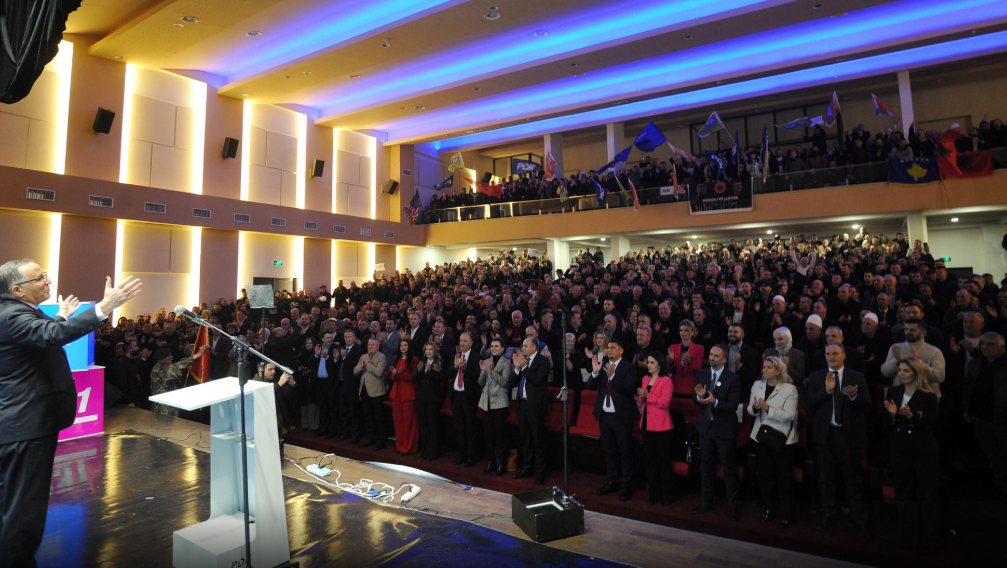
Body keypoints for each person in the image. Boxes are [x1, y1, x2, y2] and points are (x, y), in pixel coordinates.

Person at [0, 259, 140, 567]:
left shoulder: (14, 312)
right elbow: (50, 335)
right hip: (27, 426)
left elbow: (43, 332)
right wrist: (104, 307)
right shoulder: (12, 315)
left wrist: (62, 316)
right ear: (18, 290)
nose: (48, 281)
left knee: (13, 506)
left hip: (21, 425)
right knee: (23, 512)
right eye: (40, 278)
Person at [808, 344, 874, 539]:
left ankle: (860, 519)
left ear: (843, 355)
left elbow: (869, 406)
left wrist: (854, 396)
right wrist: (827, 391)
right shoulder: (817, 376)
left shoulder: (856, 376)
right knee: (826, 479)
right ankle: (828, 515)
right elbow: (811, 402)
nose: (831, 357)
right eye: (827, 354)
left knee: (852, 479)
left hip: (849, 436)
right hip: (825, 436)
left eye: (835, 353)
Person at [883, 358, 940, 553]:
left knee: (927, 496)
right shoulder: (894, 392)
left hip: (923, 451)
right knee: (904, 495)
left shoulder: (928, 396)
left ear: (916, 373)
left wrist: (910, 417)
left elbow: (930, 426)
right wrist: (891, 415)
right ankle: (909, 537)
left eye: (906, 370)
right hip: (899, 450)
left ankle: (929, 541)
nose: (902, 373)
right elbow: (885, 423)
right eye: (900, 370)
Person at [692, 345, 743, 521]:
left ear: (724, 359)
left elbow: (733, 406)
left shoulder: (733, 379)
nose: (712, 358)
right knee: (706, 467)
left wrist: (715, 402)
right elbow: (695, 399)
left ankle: (733, 506)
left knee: (728, 469)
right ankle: (706, 502)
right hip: (705, 428)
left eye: (715, 355)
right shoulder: (702, 374)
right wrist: (699, 398)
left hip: (724, 430)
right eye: (710, 354)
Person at [748, 356, 799, 528]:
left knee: (783, 477)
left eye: (769, 367)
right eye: (764, 367)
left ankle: (786, 514)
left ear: (778, 370)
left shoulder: (790, 389)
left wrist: (767, 408)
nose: (765, 370)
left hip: (782, 439)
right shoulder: (757, 385)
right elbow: (750, 409)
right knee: (764, 475)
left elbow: (790, 415)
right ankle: (768, 509)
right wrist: (755, 407)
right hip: (762, 437)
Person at [588, 339, 641, 501]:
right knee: (609, 451)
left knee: (625, 452)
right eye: (607, 348)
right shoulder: (603, 365)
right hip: (605, 416)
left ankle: (626, 485)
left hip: (622, 417)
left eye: (612, 347)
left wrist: (614, 375)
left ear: (621, 351)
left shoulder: (629, 367)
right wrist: (596, 372)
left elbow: (629, 387)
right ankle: (611, 481)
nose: (608, 350)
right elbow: (590, 386)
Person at [962, 332, 1007, 497]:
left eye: (991, 344)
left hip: (1002, 420)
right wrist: (967, 408)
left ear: (1002, 347)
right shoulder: (976, 362)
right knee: (993, 456)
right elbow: (967, 387)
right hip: (982, 419)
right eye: (983, 344)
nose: (986, 347)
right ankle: (1001, 487)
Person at [510, 337, 551, 484]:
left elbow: (537, 380)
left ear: (534, 347)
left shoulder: (543, 361)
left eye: (525, 346)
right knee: (525, 438)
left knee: (537, 439)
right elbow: (511, 382)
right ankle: (527, 467)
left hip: (535, 406)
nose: (522, 348)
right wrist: (516, 369)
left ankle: (540, 471)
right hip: (522, 405)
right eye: (522, 346)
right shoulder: (522, 361)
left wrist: (524, 368)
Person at [637, 353, 675, 506]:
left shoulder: (666, 381)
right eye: (648, 362)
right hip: (647, 423)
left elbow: (664, 403)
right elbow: (641, 400)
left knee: (663, 461)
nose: (649, 365)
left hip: (661, 426)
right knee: (650, 461)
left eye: (652, 362)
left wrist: (648, 395)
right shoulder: (645, 379)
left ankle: (667, 495)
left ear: (659, 364)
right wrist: (642, 395)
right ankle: (654, 494)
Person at [880, 318, 946, 399]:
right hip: (900, 398)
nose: (908, 332)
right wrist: (896, 360)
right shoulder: (896, 348)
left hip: (926, 399)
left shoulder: (934, 351)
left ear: (923, 333)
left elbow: (940, 377)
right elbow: (885, 373)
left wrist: (919, 363)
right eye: (906, 329)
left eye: (912, 330)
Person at [479, 338, 511, 475]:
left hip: (500, 403)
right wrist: (482, 372)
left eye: (496, 346)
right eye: (492, 346)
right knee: (488, 435)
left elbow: (504, 382)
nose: (493, 348)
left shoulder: (507, 363)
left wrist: (492, 371)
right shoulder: (486, 362)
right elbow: (480, 383)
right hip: (486, 402)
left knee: (500, 435)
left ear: (502, 348)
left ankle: (501, 464)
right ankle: (490, 461)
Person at [448, 332, 481, 466]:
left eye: (465, 341)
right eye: (461, 341)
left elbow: (478, 378)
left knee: (470, 428)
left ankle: (471, 457)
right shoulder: (455, 357)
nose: (462, 343)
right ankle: (462, 454)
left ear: (471, 343)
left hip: (469, 398)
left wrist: (465, 368)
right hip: (456, 396)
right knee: (459, 427)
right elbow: (447, 374)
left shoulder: (476, 357)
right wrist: (456, 366)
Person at [151, 345, 210, 417]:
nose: (171, 357)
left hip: (168, 406)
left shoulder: (160, 368)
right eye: (169, 356)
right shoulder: (160, 371)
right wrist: (198, 354)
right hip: (164, 409)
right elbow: (177, 367)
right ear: (163, 360)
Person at [354, 337, 388, 450]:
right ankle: (370, 438)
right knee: (367, 416)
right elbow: (355, 371)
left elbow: (379, 372)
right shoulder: (364, 356)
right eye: (369, 344)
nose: (370, 346)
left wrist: (368, 364)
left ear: (378, 346)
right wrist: (363, 365)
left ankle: (381, 440)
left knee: (378, 417)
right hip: (364, 390)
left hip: (377, 392)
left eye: (373, 344)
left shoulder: (382, 357)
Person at [389, 339, 419, 455]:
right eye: (401, 345)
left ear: (409, 347)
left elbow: (413, 378)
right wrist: (394, 373)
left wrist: (401, 373)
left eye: (405, 345)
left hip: (408, 393)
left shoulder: (414, 359)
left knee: (408, 422)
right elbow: (393, 377)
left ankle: (408, 447)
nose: (403, 347)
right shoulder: (397, 358)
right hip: (397, 392)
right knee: (398, 421)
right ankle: (400, 445)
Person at [416, 342, 445, 461]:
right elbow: (415, 379)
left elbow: (441, 380)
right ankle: (424, 451)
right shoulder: (422, 362)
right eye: (426, 349)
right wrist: (419, 371)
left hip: (433, 400)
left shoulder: (439, 363)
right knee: (423, 426)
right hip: (422, 399)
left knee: (432, 426)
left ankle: (432, 452)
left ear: (435, 351)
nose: (428, 351)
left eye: (430, 349)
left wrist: (430, 371)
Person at [764, 327, 807, 403]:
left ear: (788, 338)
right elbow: (763, 373)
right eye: (775, 339)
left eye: (780, 339)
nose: (777, 342)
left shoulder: (799, 354)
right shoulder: (769, 352)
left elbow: (799, 378)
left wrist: (787, 366)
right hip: (772, 390)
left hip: (791, 391)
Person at [668, 320, 704, 397]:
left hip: (690, 388)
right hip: (676, 387)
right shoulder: (673, 347)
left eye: (686, 330)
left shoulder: (699, 348)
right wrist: (671, 361)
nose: (683, 333)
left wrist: (690, 360)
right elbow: (670, 370)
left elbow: (698, 369)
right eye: (681, 330)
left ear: (692, 332)